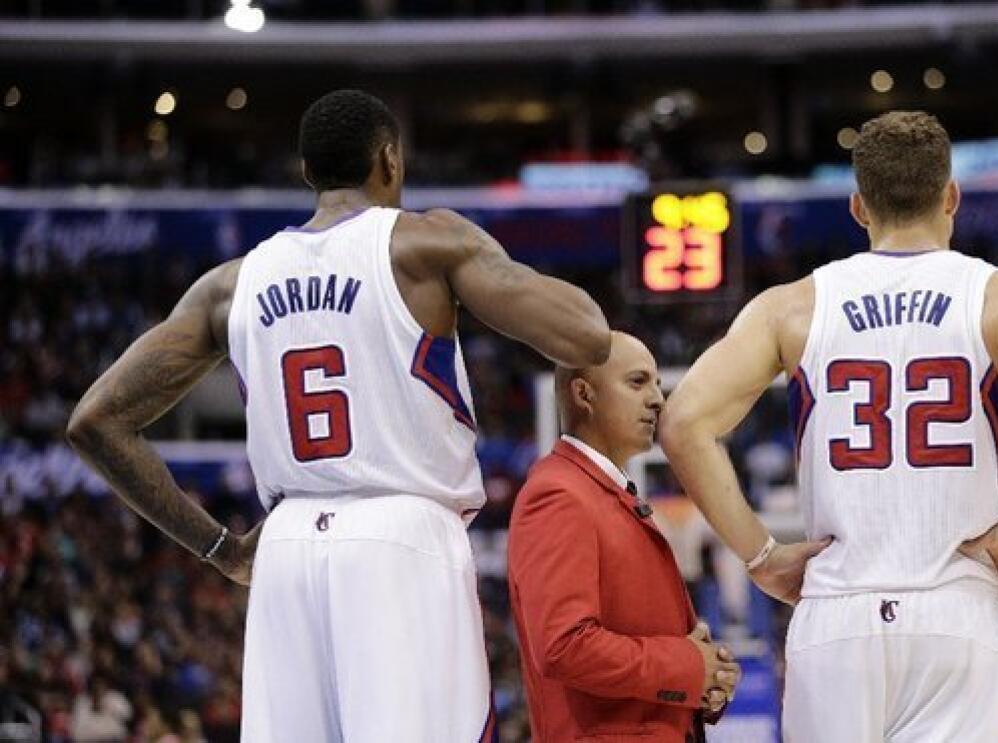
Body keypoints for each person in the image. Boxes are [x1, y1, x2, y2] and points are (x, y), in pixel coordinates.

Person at [66, 89, 611, 742]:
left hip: (285, 546)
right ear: (389, 159)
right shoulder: (425, 244)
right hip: (401, 535)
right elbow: (586, 336)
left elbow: (95, 421)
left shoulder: (232, 282)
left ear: (307, 172)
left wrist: (220, 548)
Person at [660, 110, 998, 741]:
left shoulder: (792, 307)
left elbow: (682, 422)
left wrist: (760, 556)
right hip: (958, 606)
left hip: (838, 615)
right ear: (951, 196)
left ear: (858, 207)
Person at [508, 332, 739, 742]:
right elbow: (564, 645)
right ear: (584, 394)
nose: (657, 399)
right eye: (637, 382)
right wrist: (687, 665)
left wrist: (705, 679)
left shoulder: (603, 492)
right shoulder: (558, 494)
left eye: (657, 384)